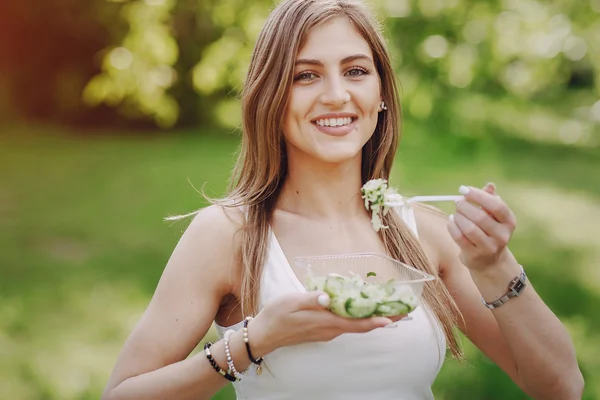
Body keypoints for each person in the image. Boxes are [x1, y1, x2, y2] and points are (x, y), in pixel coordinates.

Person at [101, 0, 584, 399]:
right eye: (305, 76)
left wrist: (495, 264)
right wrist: (258, 339)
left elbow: (559, 387)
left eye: (355, 71)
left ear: (380, 95)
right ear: (272, 96)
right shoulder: (229, 234)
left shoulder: (427, 234)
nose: (336, 95)